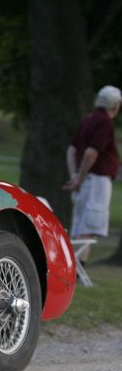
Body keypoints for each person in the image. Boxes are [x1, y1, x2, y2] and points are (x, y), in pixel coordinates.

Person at [63, 84, 122, 262]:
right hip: (96, 182)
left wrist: (75, 177)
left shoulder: (88, 119)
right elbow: (91, 153)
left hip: (84, 181)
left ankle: (75, 268)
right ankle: (78, 270)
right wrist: (79, 179)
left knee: (79, 226)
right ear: (115, 105)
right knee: (88, 228)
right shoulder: (105, 122)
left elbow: (71, 151)